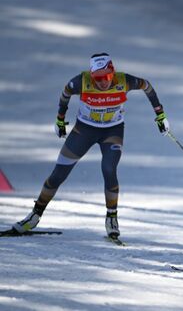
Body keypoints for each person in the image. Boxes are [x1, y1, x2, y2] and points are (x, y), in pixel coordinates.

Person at [13, 53, 170, 239]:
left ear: (113, 72)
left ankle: (112, 217)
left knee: (109, 169)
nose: (103, 82)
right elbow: (65, 94)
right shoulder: (81, 82)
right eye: (98, 78)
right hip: (84, 131)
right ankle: (35, 215)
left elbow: (147, 87)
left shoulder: (124, 81)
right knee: (58, 173)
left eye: (107, 77)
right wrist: (60, 120)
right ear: (91, 75)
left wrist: (160, 115)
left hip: (112, 132)